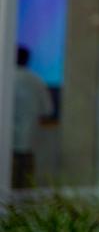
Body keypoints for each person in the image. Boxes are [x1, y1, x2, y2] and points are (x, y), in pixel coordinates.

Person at [13, 45, 53, 189]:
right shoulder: (37, 81)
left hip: (9, 144)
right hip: (28, 141)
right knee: (24, 186)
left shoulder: (6, 78)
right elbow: (47, 110)